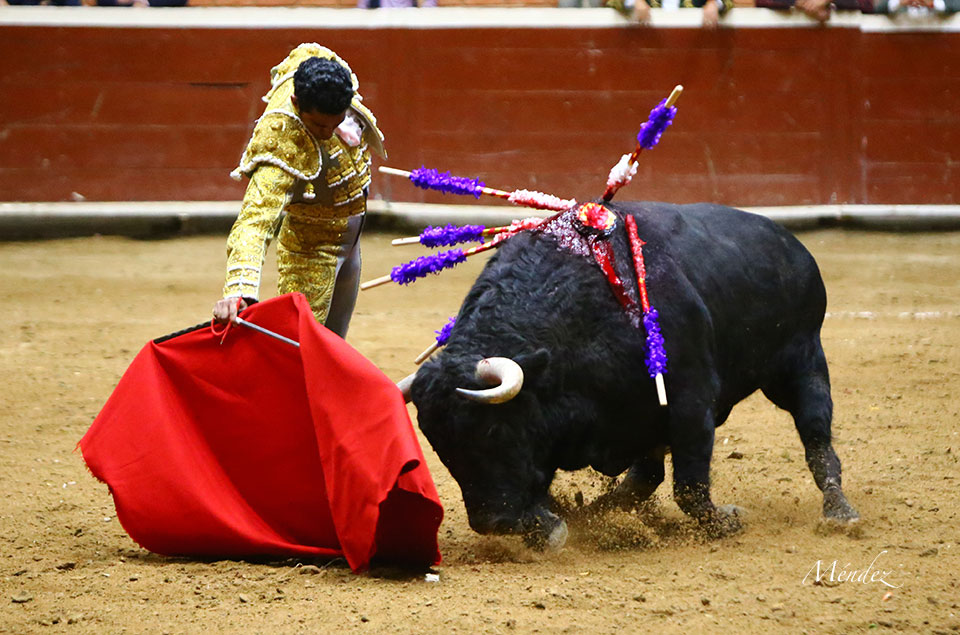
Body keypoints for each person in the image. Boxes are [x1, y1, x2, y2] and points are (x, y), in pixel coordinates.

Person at [212, 44, 386, 338]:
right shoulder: (282, 141)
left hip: (352, 243)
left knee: (333, 344)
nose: (327, 133)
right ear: (296, 102)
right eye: (318, 124)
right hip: (311, 251)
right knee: (300, 348)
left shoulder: (321, 72)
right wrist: (239, 288)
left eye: (336, 121)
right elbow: (254, 221)